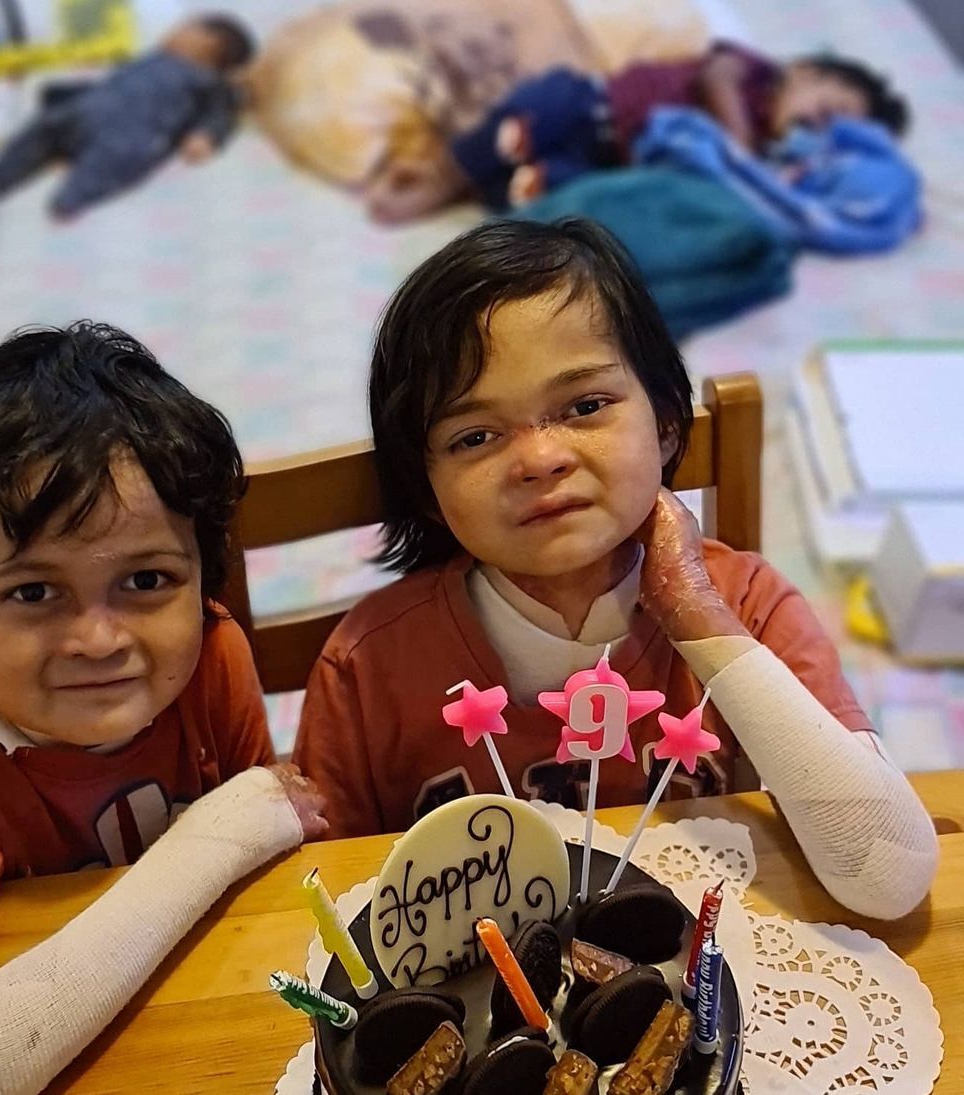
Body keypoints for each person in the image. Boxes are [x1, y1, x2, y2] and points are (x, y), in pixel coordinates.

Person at [293, 218, 937, 920]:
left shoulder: (746, 604)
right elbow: (326, 910)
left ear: (664, 423)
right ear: (428, 489)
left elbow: (888, 875)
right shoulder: (369, 667)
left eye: (585, 406)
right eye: (475, 436)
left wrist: (694, 612)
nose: (540, 458)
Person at [0, 323, 327, 1094]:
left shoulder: (210, 656)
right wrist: (239, 818)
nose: (98, 638)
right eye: (32, 592)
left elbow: (268, 897)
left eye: (148, 580)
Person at [365, 46, 910, 220]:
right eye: (829, 105)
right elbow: (717, 78)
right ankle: (445, 173)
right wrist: (738, 144)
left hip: (614, 162)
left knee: (566, 196)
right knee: (542, 103)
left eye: (838, 127)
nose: (823, 123)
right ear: (805, 74)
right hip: (593, 107)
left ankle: (498, 184)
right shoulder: (755, 72)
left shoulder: (769, 159)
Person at [0, 14, 256, 219]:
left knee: (105, 166)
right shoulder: (153, 57)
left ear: (208, 43)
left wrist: (206, 137)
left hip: (134, 133)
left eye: (184, 28)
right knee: (43, 130)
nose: (172, 31)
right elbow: (112, 82)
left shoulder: (207, 82)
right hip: (88, 111)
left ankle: (71, 199)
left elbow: (220, 112)